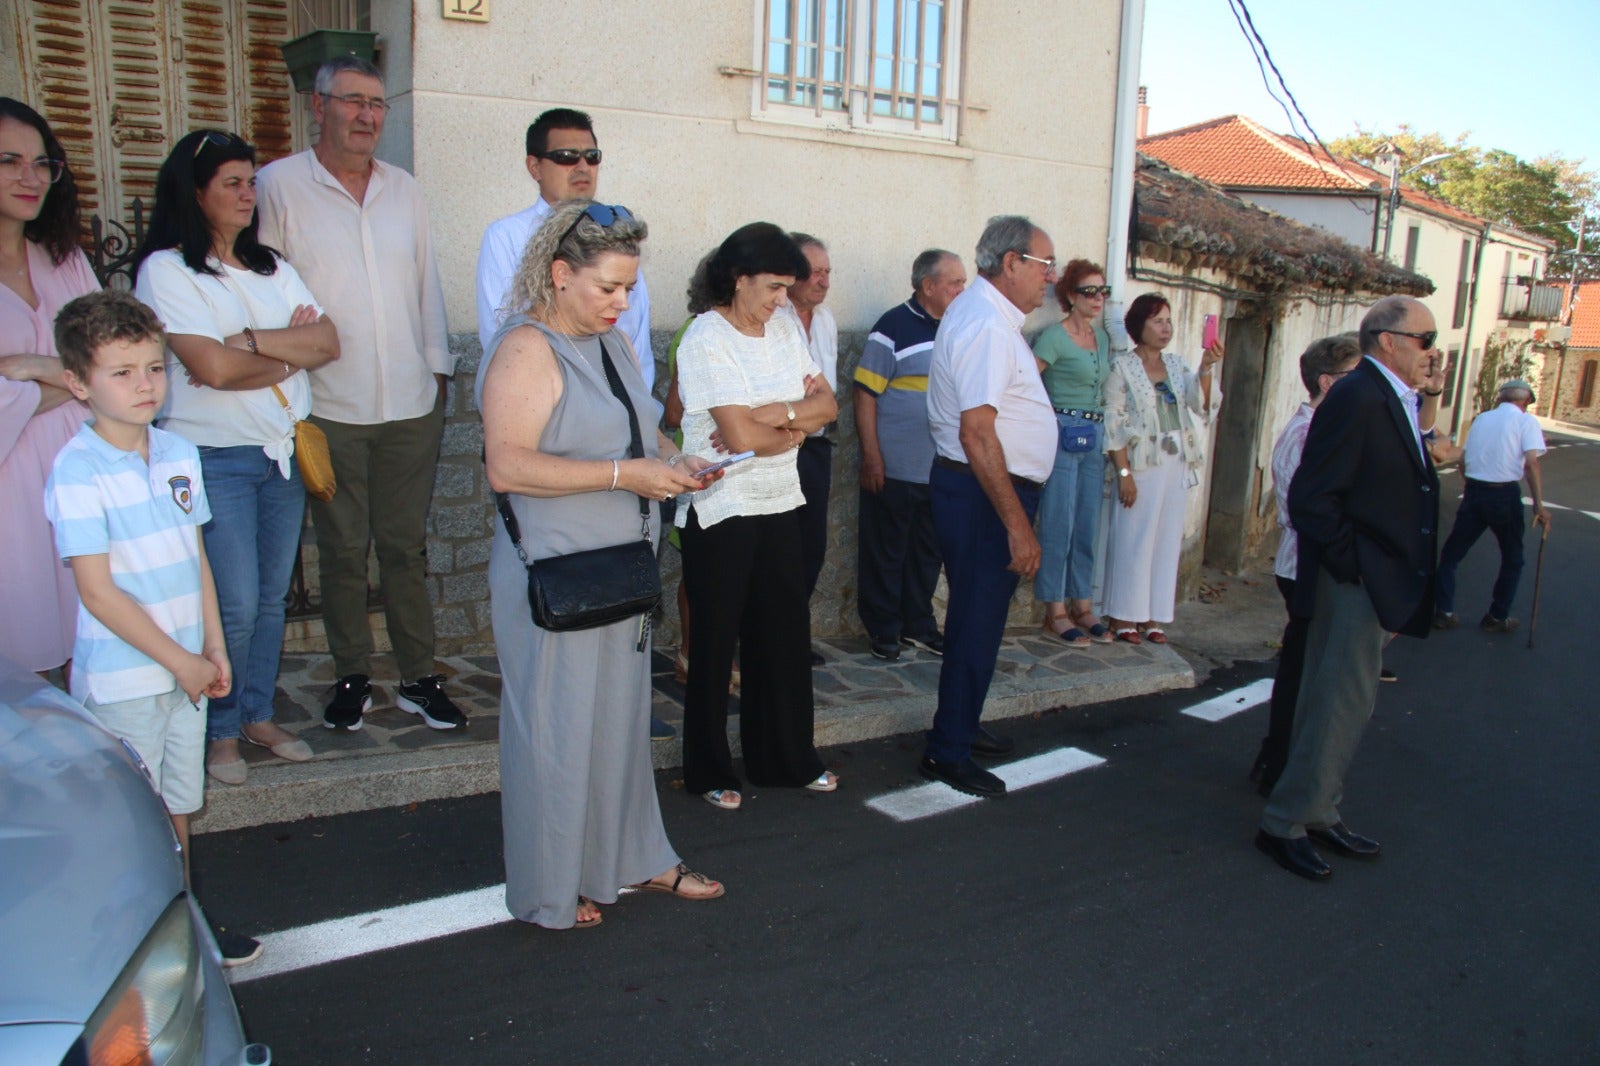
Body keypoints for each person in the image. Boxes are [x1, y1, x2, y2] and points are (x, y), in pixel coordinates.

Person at [479, 199, 723, 930]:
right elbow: (507, 465)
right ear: (559, 275)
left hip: (617, 570)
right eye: (609, 287)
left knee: (617, 726)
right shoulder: (526, 348)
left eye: (629, 288)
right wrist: (628, 477)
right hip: (556, 573)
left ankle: (633, 857)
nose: (623, 302)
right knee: (554, 733)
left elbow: (644, 434)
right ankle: (551, 884)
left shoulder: (609, 343)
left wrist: (681, 462)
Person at [43, 289, 258, 963]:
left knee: (175, 809)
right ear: (79, 383)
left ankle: (180, 922)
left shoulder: (176, 453)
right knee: (131, 822)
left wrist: (213, 647)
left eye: (154, 368)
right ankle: (130, 944)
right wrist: (181, 660)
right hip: (127, 677)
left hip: (185, 669)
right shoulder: (76, 472)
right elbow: (99, 594)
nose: (145, 385)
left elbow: (195, 554)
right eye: (122, 372)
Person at [256, 56, 464, 732]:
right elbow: (264, 291)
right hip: (328, 404)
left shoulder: (405, 189)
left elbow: (425, 284)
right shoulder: (279, 186)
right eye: (353, 101)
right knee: (343, 551)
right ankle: (351, 672)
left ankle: (417, 677)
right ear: (319, 107)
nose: (368, 116)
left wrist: (437, 373)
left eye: (377, 104)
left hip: (409, 403)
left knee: (404, 548)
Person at [133, 129, 338, 785]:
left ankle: (255, 713)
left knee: (272, 598)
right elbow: (210, 370)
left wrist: (247, 343)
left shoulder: (271, 265)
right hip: (213, 459)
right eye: (232, 182)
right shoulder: (168, 270)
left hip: (280, 455)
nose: (248, 194)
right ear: (194, 192)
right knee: (236, 604)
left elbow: (329, 341)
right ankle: (219, 731)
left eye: (252, 182)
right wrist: (287, 350)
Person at [1257, 295, 1442, 882]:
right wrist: (1354, 566)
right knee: (1334, 700)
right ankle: (1284, 823)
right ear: (1387, 340)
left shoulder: (1391, 397)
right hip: (1353, 580)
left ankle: (1318, 809)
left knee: (1347, 702)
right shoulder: (1359, 396)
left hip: (1370, 578)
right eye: (1424, 337)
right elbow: (1313, 496)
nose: (1432, 350)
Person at [674, 222, 839, 810]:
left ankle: (785, 758)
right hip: (721, 506)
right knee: (716, 643)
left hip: (779, 499)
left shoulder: (785, 328)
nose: (781, 300)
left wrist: (779, 414)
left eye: (785, 289)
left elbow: (829, 404)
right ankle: (709, 769)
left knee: (784, 638)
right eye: (772, 287)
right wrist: (793, 427)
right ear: (738, 279)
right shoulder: (705, 338)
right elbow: (737, 436)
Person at [919, 215, 1058, 798]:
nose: (1049, 279)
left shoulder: (991, 318)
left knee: (980, 621)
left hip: (981, 490)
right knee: (976, 622)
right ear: (1012, 263)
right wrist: (1018, 526)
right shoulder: (984, 323)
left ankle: (962, 723)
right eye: (1044, 266)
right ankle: (948, 751)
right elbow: (978, 433)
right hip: (981, 493)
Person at [0, 97, 95, 677]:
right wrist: (72, 375)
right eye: (9, 160)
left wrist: (35, 366)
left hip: (81, 470)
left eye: (42, 163)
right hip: (9, 484)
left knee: (92, 640)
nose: (30, 178)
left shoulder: (63, 259)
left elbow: (117, 356)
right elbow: (89, 369)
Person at [1250, 334, 1362, 795]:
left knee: (1306, 670)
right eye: (1356, 378)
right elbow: (1306, 511)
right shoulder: (1305, 434)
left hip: (1312, 563)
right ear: (1329, 383)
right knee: (1302, 672)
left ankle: (1278, 760)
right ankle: (1279, 765)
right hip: (1306, 566)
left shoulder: (1323, 429)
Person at [476, 107, 654, 391]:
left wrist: (639, 413)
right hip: (547, 404)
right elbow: (501, 336)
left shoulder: (618, 229)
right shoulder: (507, 236)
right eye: (566, 157)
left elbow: (637, 337)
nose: (582, 167)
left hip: (623, 407)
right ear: (534, 167)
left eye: (592, 157)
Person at [854, 248, 964, 661]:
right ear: (928, 286)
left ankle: (918, 625)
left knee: (926, 553)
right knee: (886, 551)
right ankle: (883, 628)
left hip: (940, 467)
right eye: (954, 282)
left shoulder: (959, 326)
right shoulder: (893, 326)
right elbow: (864, 393)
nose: (961, 289)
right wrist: (871, 456)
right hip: (895, 466)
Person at [1101, 294, 1222, 645]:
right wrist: (1124, 474)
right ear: (1139, 326)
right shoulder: (1123, 368)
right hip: (1142, 464)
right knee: (1133, 538)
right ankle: (1124, 615)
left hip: (1177, 460)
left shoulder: (1177, 365)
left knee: (1166, 539)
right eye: (1157, 321)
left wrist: (1207, 367)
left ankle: (1154, 616)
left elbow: (1202, 405)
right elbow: (1114, 424)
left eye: (1168, 321)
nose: (1165, 328)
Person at [1031, 258, 1113, 647]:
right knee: (1058, 522)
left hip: (1094, 433)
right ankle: (1055, 609)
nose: (1097, 298)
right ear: (1069, 295)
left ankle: (1083, 603)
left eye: (1103, 291)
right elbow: (1026, 382)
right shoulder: (1053, 337)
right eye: (1088, 291)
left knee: (1086, 522)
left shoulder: (1104, 338)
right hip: (1062, 429)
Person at [1432, 379, 1550, 634]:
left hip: (1475, 493)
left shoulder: (1482, 419)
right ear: (1525, 401)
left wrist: (1471, 487)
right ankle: (1497, 616)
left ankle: (1444, 611)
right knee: (1513, 558)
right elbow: (1531, 464)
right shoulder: (1526, 422)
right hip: (1504, 495)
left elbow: (1463, 461)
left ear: (1501, 398)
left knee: (1451, 555)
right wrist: (1539, 505)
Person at [777, 233, 838, 664]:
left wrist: (816, 412)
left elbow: (827, 396)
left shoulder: (828, 321)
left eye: (827, 272)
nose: (823, 281)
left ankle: (792, 634)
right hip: (779, 446)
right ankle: (765, 636)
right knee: (777, 546)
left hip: (816, 448)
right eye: (814, 271)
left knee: (811, 544)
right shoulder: (774, 318)